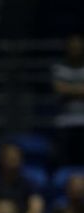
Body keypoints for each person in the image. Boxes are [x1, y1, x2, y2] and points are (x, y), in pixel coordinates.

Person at [0, 143, 44, 213]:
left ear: (21, 160)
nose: (13, 161)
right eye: (9, 158)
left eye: (15, 158)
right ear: (2, 160)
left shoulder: (29, 184)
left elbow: (36, 209)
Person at [52, 34, 84, 166]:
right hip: (64, 122)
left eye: (78, 47)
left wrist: (69, 89)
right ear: (67, 48)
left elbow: (64, 89)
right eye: (73, 47)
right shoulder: (59, 68)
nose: (75, 49)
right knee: (63, 162)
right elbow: (59, 89)